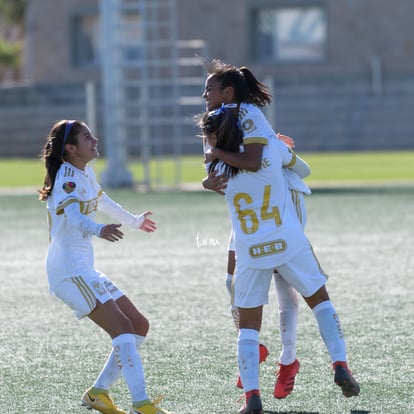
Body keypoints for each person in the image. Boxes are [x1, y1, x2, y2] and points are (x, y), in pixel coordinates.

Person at [199, 106, 360, 414]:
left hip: (249, 249)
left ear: (216, 138)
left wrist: (213, 155)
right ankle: (340, 363)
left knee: (248, 328)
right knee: (321, 302)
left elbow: (214, 166)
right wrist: (282, 151)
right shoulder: (272, 147)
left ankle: (252, 398)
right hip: (288, 241)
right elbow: (304, 171)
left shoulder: (215, 169)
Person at [38, 120, 175, 414]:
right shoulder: (67, 179)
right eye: (87, 137)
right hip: (68, 273)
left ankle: (98, 393)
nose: (95, 139)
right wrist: (98, 230)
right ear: (71, 148)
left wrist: (134, 220)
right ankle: (142, 405)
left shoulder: (84, 172)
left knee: (138, 324)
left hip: (84, 270)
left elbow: (103, 201)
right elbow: (74, 217)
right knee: (123, 328)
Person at [200, 59, 311, 400]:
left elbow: (301, 168)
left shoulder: (251, 115)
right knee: (232, 279)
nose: (205, 93)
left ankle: (288, 360)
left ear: (228, 91)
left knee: (282, 284)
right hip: (247, 216)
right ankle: (254, 347)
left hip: (279, 208)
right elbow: (212, 167)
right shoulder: (212, 121)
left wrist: (280, 149)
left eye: (210, 88)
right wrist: (209, 181)